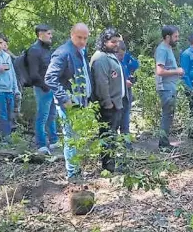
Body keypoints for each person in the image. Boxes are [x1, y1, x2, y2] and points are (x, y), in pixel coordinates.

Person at [45, 23, 91, 180]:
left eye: (85, 38)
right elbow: (50, 78)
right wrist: (64, 99)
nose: (82, 41)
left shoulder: (81, 52)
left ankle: (76, 170)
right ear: (72, 34)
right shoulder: (63, 52)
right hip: (69, 104)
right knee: (71, 138)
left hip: (80, 102)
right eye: (79, 37)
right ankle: (73, 174)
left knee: (77, 137)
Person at [90, 28, 126, 172]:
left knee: (112, 135)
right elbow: (101, 83)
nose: (116, 44)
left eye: (118, 41)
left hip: (115, 103)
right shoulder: (101, 58)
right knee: (107, 136)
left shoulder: (109, 56)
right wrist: (108, 103)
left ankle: (111, 165)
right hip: (108, 106)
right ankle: (108, 168)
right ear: (104, 42)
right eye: (113, 42)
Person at [27, 24, 58, 155]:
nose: (51, 36)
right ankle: (41, 145)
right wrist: (44, 86)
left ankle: (54, 140)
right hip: (42, 88)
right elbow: (33, 73)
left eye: (51, 34)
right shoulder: (34, 50)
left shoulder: (46, 49)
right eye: (48, 34)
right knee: (42, 116)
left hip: (52, 87)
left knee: (52, 115)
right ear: (40, 34)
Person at [154, 25, 184, 149]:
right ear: (167, 37)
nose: (177, 39)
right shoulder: (162, 50)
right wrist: (177, 71)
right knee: (167, 115)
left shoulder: (168, 48)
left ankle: (165, 142)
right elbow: (159, 71)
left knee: (169, 115)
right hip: (165, 88)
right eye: (175, 36)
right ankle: (163, 145)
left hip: (170, 87)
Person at [116, 40, 139, 138]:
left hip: (127, 91)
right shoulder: (113, 63)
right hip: (117, 93)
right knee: (117, 118)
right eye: (120, 55)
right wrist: (123, 83)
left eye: (123, 55)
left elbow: (135, 65)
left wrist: (128, 56)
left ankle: (126, 141)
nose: (122, 57)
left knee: (126, 116)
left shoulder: (124, 60)